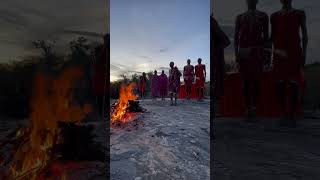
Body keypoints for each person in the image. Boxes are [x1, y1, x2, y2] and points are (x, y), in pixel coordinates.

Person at [271, 0, 308, 127]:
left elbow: (304, 35)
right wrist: (269, 54)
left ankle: (291, 115)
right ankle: (282, 114)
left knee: (294, 83)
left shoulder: (299, 13)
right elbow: (272, 36)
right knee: (279, 83)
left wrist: (304, 53)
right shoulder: (274, 16)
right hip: (278, 52)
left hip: (294, 51)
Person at [234, 0, 269, 120]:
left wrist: (266, 56)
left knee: (257, 81)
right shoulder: (240, 17)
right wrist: (236, 54)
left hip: (257, 52)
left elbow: (266, 38)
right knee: (245, 82)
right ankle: (247, 108)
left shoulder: (263, 16)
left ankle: (254, 107)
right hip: (243, 52)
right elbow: (236, 37)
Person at [211, 15, 231, 99]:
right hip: (214, 65)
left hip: (215, 66)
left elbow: (226, 41)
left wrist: (215, 51)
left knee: (216, 95)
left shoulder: (211, 22)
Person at [93, 34, 109, 118]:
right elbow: (101, 56)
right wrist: (105, 45)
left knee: (105, 100)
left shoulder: (104, 56)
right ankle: (102, 115)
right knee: (100, 100)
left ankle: (105, 116)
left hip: (104, 84)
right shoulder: (97, 59)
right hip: (100, 84)